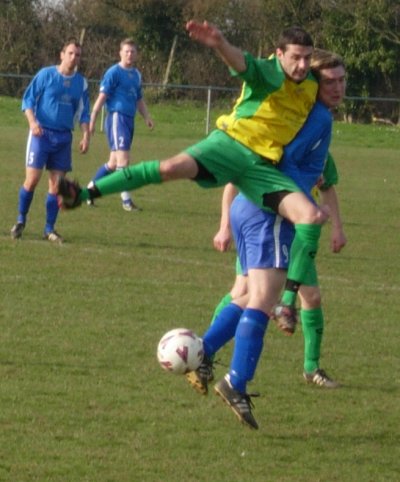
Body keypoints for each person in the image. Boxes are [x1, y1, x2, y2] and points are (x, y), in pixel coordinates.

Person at [58, 21, 327, 318]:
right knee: (170, 167)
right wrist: (219, 43)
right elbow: (242, 63)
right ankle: (82, 194)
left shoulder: (313, 85)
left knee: (312, 216)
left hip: (262, 167)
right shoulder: (269, 72)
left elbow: (330, 84)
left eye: (307, 58)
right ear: (279, 54)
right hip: (229, 146)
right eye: (295, 57)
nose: (302, 65)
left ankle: (287, 302)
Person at [186, 49, 347, 429]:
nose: (338, 88)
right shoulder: (317, 117)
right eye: (330, 81)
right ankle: (236, 381)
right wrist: (300, 205)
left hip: (250, 206)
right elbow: (281, 160)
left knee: (244, 293)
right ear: (313, 83)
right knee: (263, 299)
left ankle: (203, 354)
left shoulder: (300, 111)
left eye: (343, 80)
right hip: (270, 211)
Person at [10, 38, 90, 243]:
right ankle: (20, 220)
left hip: (63, 138)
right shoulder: (46, 75)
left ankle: (49, 229)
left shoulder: (81, 83)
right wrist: (32, 122)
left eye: (77, 55)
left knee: (56, 186)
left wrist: (85, 135)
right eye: (70, 53)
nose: (74, 58)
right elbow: (28, 100)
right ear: (62, 54)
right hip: (41, 134)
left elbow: (84, 113)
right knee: (32, 180)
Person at [87, 38, 154, 211]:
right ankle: (126, 201)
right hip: (117, 118)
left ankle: (89, 191)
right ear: (120, 53)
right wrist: (93, 117)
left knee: (112, 163)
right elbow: (102, 96)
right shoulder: (114, 72)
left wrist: (146, 116)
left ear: (136, 54)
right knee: (123, 161)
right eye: (126, 51)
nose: (129, 54)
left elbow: (138, 99)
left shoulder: (136, 75)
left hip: (129, 120)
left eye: (132, 51)